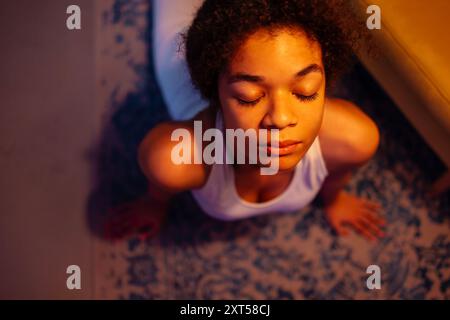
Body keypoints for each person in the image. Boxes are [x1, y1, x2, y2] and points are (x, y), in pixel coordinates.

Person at [105, 0, 385, 242]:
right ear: (214, 92)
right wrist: (154, 204)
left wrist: (334, 199)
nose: (281, 119)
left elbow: (337, 173)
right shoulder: (173, 160)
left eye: (305, 92)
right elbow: (161, 184)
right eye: (249, 97)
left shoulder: (353, 140)